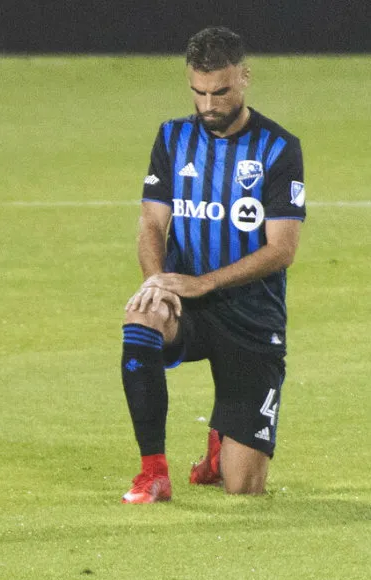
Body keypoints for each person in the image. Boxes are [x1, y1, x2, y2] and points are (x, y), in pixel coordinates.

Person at [120, 27, 306, 503]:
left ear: (244, 77)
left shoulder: (278, 149)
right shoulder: (172, 137)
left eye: (220, 92)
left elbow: (282, 249)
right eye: (198, 92)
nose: (207, 105)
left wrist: (204, 282)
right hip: (189, 310)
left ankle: (221, 443)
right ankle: (153, 473)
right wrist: (158, 282)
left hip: (251, 319)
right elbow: (149, 224)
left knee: (243, 487)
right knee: (142, 315)